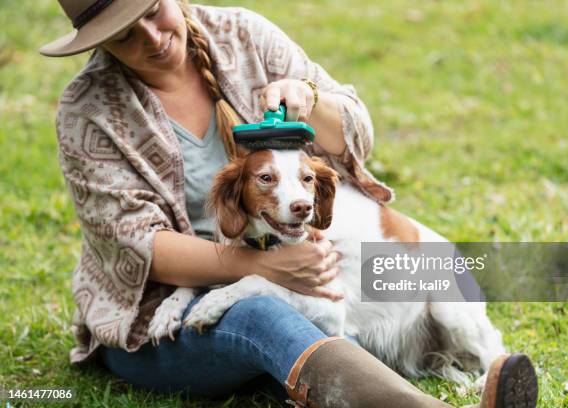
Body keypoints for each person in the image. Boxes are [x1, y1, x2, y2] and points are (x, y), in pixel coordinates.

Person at [40, 1, 538, 407]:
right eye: (125, 34)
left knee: (407, 278)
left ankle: (455, 367)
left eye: (153, 11)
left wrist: (309, 96)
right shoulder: (89, 109)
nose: (151, 36)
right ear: (99, 43)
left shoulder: (243, 34)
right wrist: (266, 269)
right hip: (159, 323)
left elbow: (356, 131)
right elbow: (139, 246)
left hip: (309, 278)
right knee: (263, 314)